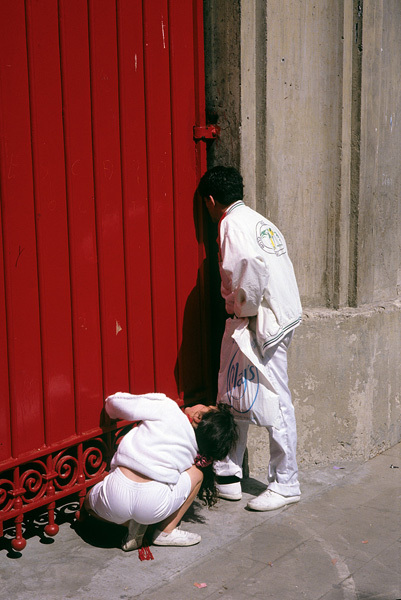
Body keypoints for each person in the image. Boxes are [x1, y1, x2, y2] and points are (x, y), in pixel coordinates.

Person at [198, 166, 302, 511]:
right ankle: (228, 473)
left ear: (211, 201)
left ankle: (287, 482)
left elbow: (250, 269)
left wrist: (244, 311)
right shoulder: (259, 221)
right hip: (263, 318)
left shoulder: (230, 223)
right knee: (232, 390)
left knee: (277, 399)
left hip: (260, 321)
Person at [81, 392, 238, 551]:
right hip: (154, 503)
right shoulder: (194, 452)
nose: (201, 404)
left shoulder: (168, 407)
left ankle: (126, 522)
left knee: (88, 503)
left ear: (198, 416)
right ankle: (164, 531)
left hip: (116, 494)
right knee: (197, 474)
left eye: (206, 406)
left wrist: (110, 407)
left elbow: (116, 404)